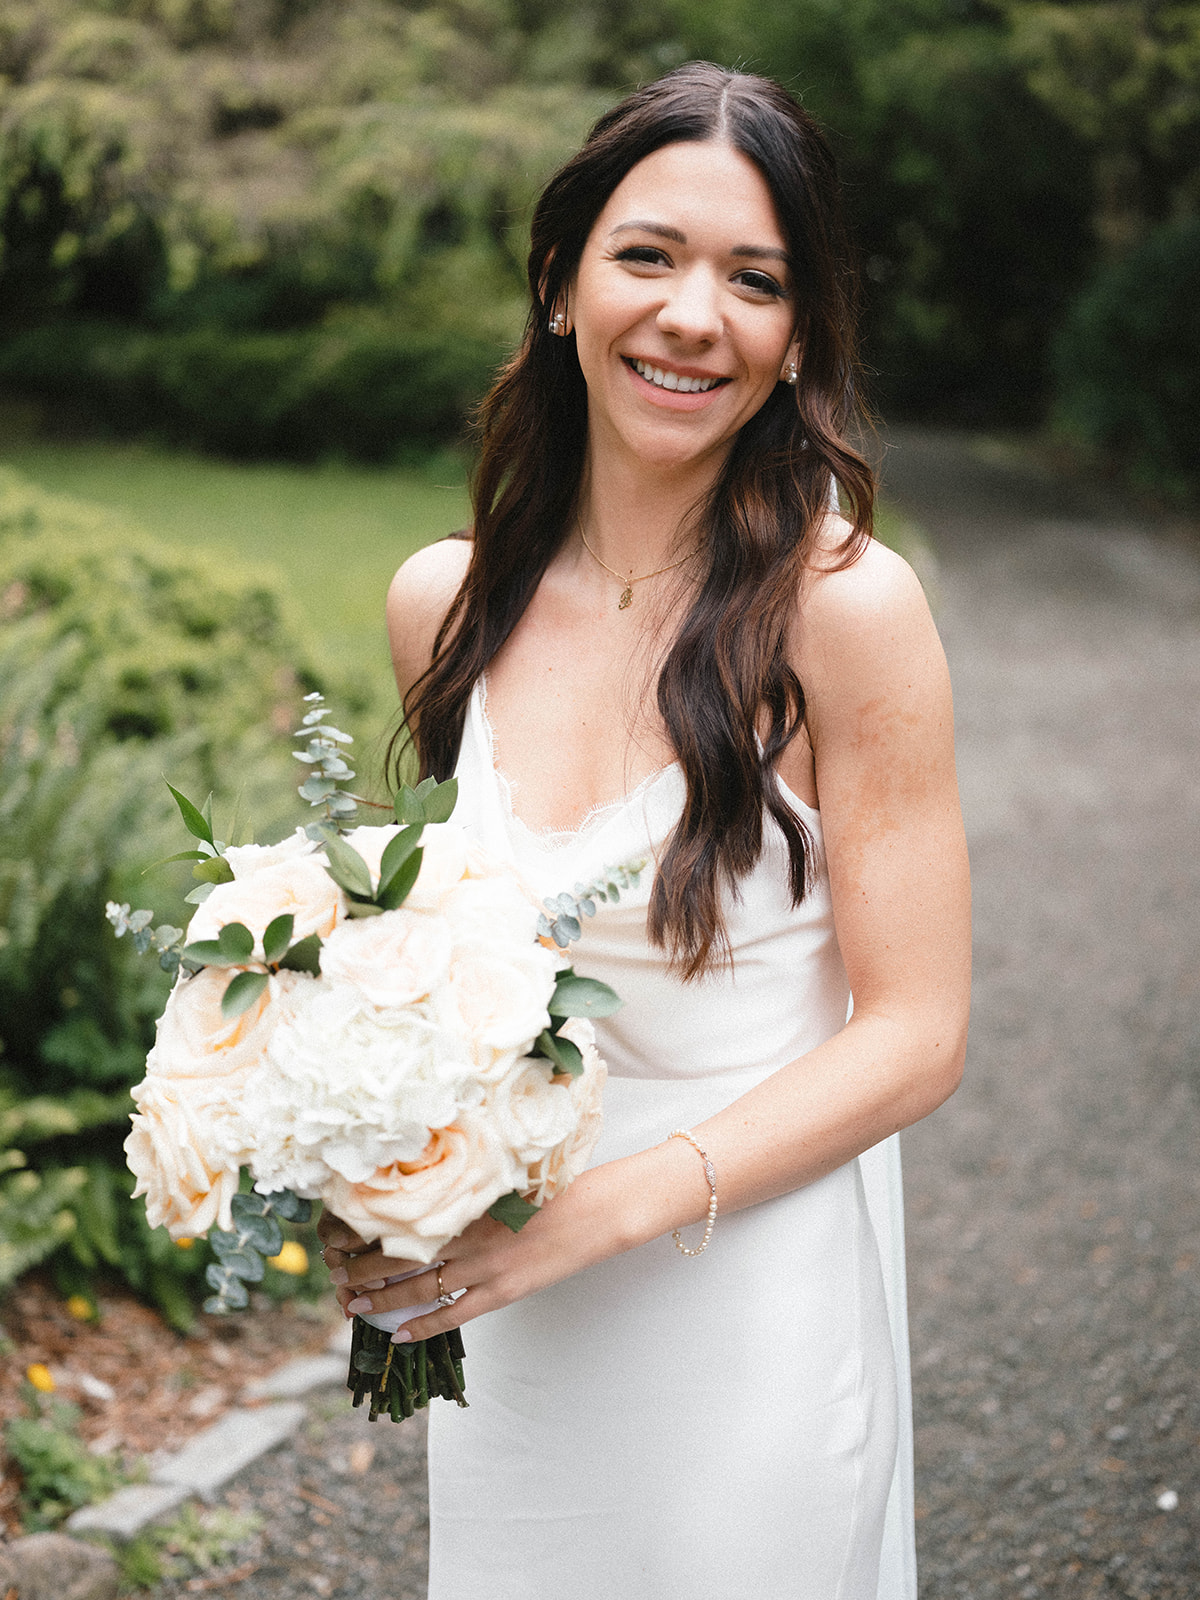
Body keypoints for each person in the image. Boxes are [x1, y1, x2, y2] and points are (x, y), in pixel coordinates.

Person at [319, 61, 970, 1600]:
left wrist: (594, 1219)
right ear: (560, 285)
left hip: (745, 1318)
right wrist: (366, 1171)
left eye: (757, 279)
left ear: (800, 333)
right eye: (649, 256)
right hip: (516, 1336)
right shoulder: (446, 604)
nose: (696, 316)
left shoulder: (846, 611)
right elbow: (453, 971)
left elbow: (920, 1032)